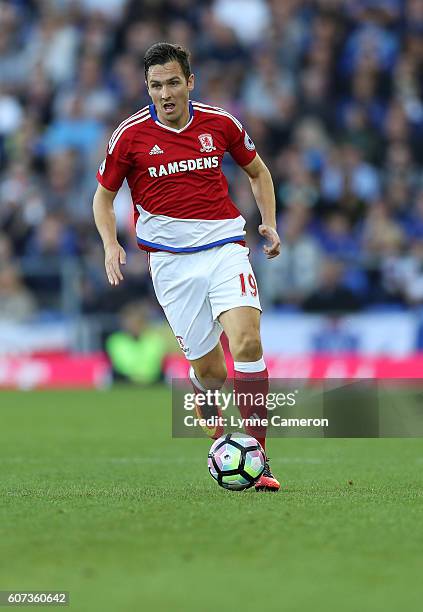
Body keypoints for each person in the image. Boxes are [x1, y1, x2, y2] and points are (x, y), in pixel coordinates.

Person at [93, 43, 281, 491]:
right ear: (147, 88)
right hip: (171, 266)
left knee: (248, 343)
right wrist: (109, 243)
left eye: (173, 82)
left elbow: (259, 173)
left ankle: (260, 457)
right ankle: (207, 403)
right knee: (212, 372)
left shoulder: (221, 123)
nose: (165, 93)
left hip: (224, 247)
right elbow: (103, 196)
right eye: (156, 85)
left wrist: (269, 223)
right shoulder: (130, 136)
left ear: (190, 82)